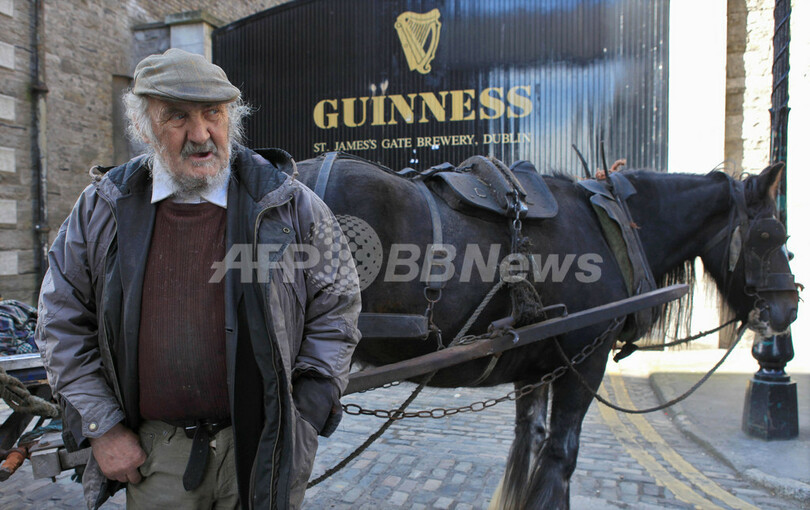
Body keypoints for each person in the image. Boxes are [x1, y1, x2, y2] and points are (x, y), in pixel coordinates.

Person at [35, 48, 361, 509]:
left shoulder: (289, 204)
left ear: (233, 117)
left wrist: (312, 397)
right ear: (144, 127)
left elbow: (337, 303)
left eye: (213, 114)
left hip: (263, 446)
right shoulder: (103, 208)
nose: (201, 134)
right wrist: (103, 428)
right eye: (176, 117)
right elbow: (61, 322)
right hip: (155, 455)